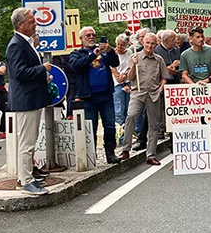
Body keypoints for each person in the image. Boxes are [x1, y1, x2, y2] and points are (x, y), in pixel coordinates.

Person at [6, 7, 53, 195]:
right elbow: (19, 73)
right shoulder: (16, 45)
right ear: (20, 25)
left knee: (30, 140)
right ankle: (25, 180)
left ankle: (27, 177)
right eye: (31, 21)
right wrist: (42, 69)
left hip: (31, 98)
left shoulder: (25, 42)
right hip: (26, 100)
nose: (35, 24)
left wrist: (43, 77)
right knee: (26, 142)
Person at [71, 26, 121, 165]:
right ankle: (91, 156)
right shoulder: (77, 53)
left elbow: (115, 62)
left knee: (110, 125)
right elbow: (76, 66)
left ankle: (110, 153)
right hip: (88, 96)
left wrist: (110, 51)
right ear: (81, 39)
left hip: (105, 94)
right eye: (88, 35)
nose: (91, 37)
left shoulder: (103, 52)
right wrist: (92, 55)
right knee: (90, 127)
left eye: (93, 35)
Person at [179, 26, 211, 166]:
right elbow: (184, 74)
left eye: (202, 36)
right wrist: (193, 85)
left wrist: (208, 79)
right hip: (195, 91)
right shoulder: (185, 55)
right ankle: (202, 152)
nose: (201, 39)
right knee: (197, 122)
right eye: (198, 37)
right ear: (191, 39)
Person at [119, 33, 168, 164]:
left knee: (154, 124)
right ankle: (125, 149)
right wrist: (134, 65)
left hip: (154, 93)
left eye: (152, 43)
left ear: (156, 44)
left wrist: (161, 87)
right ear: (143, 43)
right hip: (138, 92)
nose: (150, 46)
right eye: (147, 43)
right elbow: (130, 78)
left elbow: (164, 77)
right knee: (131, 116)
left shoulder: (159, 59)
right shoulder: (135, 57)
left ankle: (151, 155)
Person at [111, 33, 133, 128]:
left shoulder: (129, 52)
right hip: (117, 83)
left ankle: (128, 129)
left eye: (122, 45)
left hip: (128, 80)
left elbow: (131, 65)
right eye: (118, 44)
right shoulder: (112, 53)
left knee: (128, 107)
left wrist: (125, 75)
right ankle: (119, 128)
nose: (119, 47)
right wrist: (119, 78)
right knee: (119, 108)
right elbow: (112, 68)